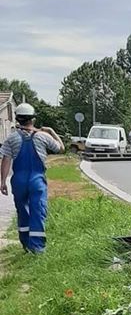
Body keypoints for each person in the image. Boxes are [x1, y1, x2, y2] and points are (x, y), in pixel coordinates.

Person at [0, 103, 64, 253]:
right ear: (33, 119)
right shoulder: (43, 136)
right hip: (37, 180)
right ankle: (38, 247)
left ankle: (26, 244)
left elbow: (6, 159)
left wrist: (2, 181)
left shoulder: (12, 138)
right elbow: (61, 148)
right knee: (38, 210)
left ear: (17, 119)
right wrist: (53, 132)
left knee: (22, 210)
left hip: (19, 181)